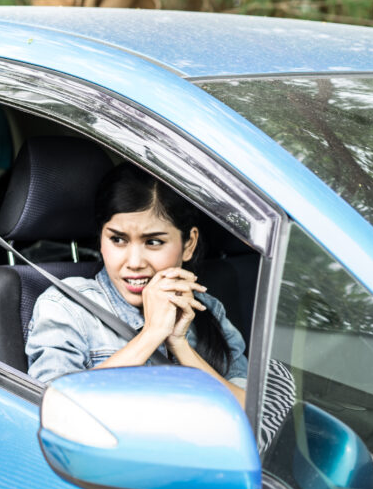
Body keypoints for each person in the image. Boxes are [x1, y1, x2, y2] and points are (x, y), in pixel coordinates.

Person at [25, 163, 247, 402]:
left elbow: (251, 414)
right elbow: (53, 407)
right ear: (101, 239)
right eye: (118, 240)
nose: (134, 262)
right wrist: (151, 335)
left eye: (153, 242)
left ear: (189, 244)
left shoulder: (208, 311)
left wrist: (179, 344)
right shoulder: (67, 308)